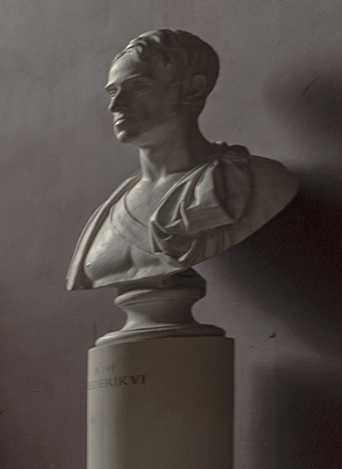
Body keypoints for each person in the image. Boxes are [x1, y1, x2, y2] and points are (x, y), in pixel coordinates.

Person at [63, 29, 295, 321]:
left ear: (192, 89)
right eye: (112, 91)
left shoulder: (254, 180)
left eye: (138, 86)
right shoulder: (109, 211)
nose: (115, 105)